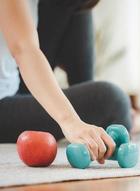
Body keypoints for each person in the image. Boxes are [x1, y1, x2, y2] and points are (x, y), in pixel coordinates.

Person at [0, 0, 131, 164]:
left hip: (14, 85)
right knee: (113, 100)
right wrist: (70, 122)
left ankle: (90, 123)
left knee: (76, 2)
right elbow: (23, 49)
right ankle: (89, 120)